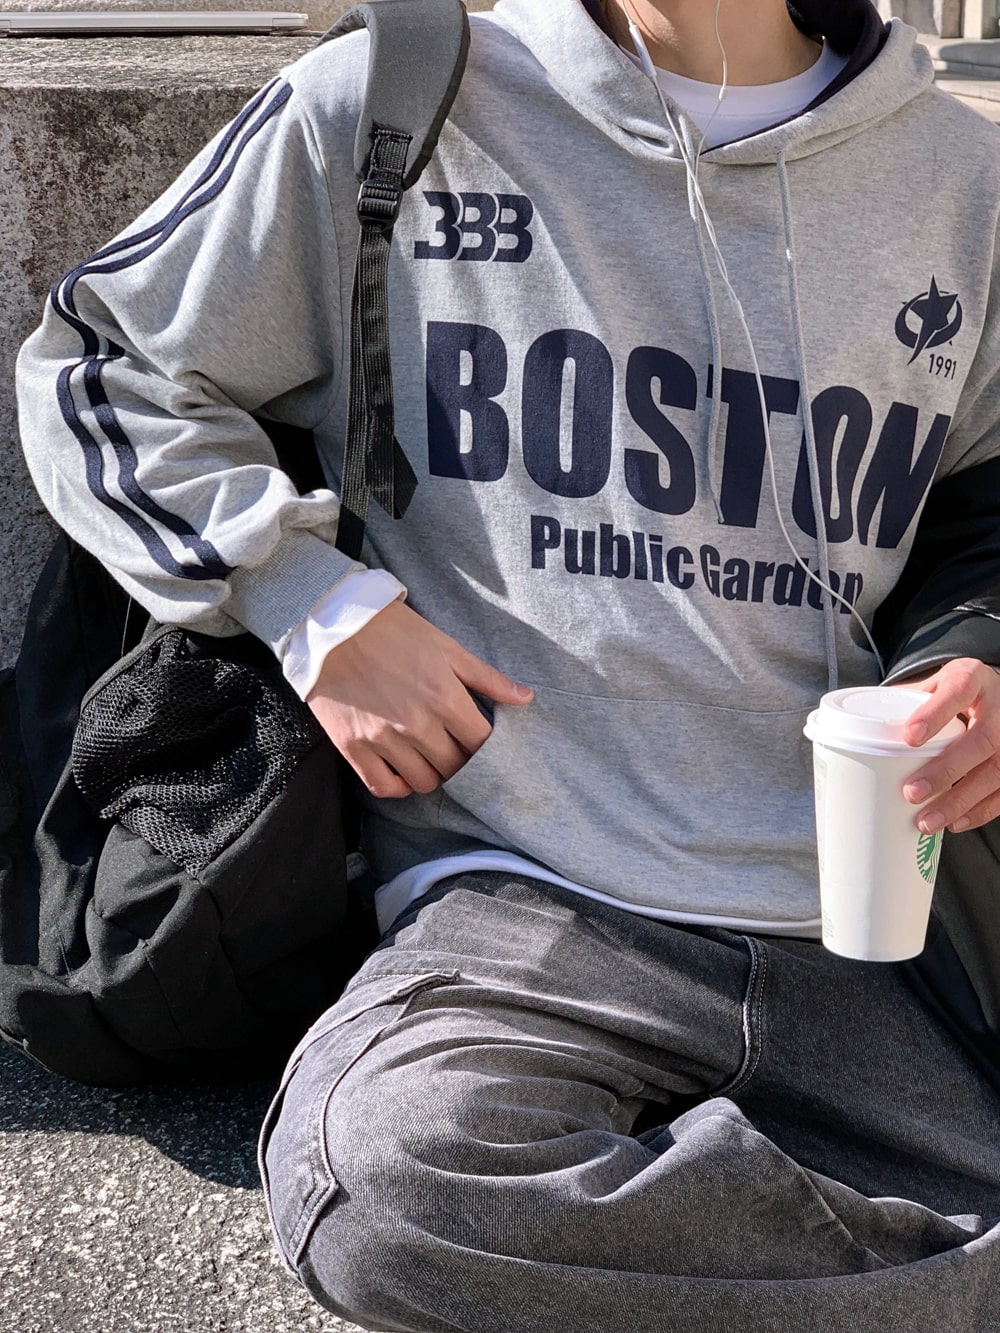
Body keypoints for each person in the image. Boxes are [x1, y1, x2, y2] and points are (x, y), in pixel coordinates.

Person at [15, 0, 1000, 1327]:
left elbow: (987, 501)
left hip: (865, 920)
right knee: (379, 1189)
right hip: (516, 897)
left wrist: (978, 653)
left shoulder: (961, 178)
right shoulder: (402, 100)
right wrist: (315, 606)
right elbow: (102, 361)